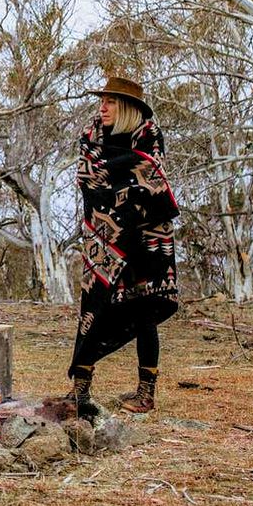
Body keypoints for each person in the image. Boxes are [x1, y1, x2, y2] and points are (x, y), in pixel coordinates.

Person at [66, 75, 179, 413]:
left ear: (127, 107)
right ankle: (80, 390)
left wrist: (122, 177)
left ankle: (146, 393)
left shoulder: (149, 136)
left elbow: (151, 179)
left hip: (147, 236)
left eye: (110, 101)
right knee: (94, 305)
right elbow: (89, 178)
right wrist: (123, 178)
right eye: (102, 100)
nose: (102, 107)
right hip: (105, 234)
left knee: (145, 308)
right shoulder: (92, 138)